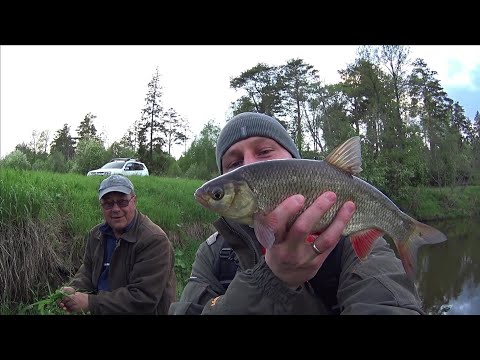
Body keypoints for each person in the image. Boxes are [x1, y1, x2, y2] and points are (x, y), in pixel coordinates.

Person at [169, 112, 425, 315]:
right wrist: (270, 280)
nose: (250, 165)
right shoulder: (213, 254)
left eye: (265, 152)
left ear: (294, 160)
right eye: (235, 163)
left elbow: (388, 305)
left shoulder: (347, 243)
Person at [58, 174, 176, 315]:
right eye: (108, 203)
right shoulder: (96, 234)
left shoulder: (154, 240)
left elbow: (143, 299)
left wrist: (91, 302)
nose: (115, 209)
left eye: (122, 202)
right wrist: (73, 289)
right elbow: (88, 271)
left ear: (134, 201)